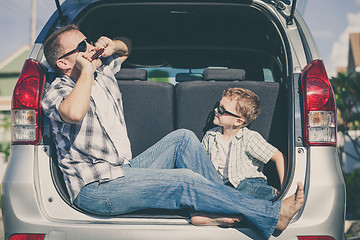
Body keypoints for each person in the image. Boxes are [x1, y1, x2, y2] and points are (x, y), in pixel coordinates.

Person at [41, 24, 304, 239]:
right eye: (81, 47)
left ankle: (209, 208)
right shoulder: (57, 92)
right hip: (95, 188)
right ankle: (272, 215)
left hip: (123, 169)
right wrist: (87, 69)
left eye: (87, 41)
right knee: (184, 180)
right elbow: (74, 113)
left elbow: (126, 47)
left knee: (183, 139)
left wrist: (113, 46)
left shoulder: (104, 74)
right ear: (64, 64)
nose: (89, 47)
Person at [201, 87, 285, 201]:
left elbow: (278, 157)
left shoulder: (249, 138)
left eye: (222, 109)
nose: (216, 110)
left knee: (245, 189)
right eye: (218, 106)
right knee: (224, 193)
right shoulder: (210, 136)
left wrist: (285, 190)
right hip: (224, 186)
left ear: (238, 121)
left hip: (249, 182)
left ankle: (272, 193)